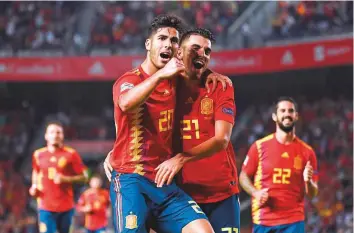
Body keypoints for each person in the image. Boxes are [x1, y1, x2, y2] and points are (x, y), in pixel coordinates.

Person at [108, 14, 230, 233]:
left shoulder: (176, 81)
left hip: (163, 181)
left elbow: (196, 69)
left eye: (174, 41)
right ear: (148, 44)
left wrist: (211, 73)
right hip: (130, 179)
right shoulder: (130, 80)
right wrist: (160, 76)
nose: (168, 44)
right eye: (162, 38)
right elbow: (125, 104)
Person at [153, 28, 240, 233]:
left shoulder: (220, 85)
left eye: (207, 51)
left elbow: (222, 139)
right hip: (182, 195)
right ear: (179, 53)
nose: (202, 54)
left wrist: (181, 158)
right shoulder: (163, 87)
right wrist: (116, 152)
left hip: (222, 193)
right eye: (195, 48)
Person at [239, 97, 319, 233]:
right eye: (282, 110)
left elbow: (312, 194)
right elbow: (243, 176)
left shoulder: (307, 152)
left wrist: (308, 182)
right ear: (275, 116)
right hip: (264, 220)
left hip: (293, 221)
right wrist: (255, 192)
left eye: (290, 111)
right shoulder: (259, 147)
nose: (287, 114)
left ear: (296, 116)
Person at [29, 121, 88, 233]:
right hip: (45, 206)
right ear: (46, 136)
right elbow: (36, 172)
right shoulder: (38, 154)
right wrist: (34, 185)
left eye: (58, 132)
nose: (55, 135)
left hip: (66, 207)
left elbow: (85, 177)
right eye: (52, 132)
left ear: (62, 136)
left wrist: (66, 179)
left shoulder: (71, 154)